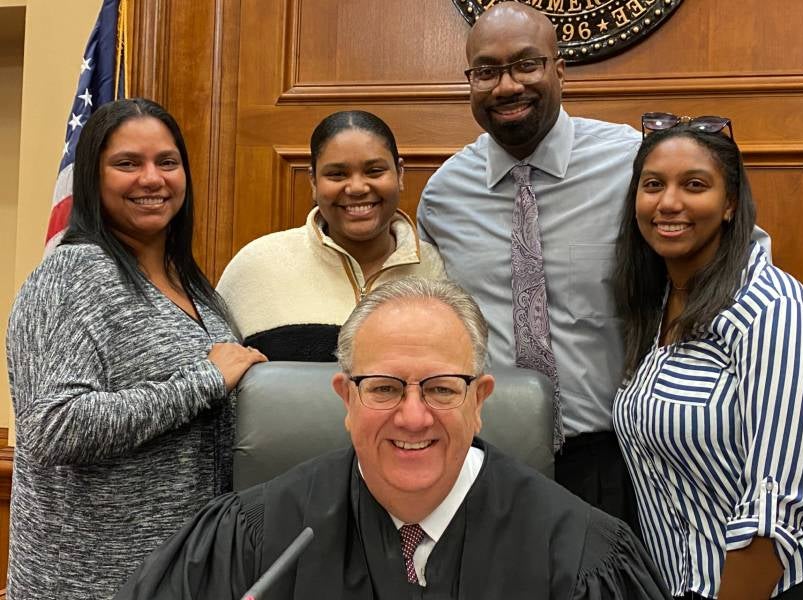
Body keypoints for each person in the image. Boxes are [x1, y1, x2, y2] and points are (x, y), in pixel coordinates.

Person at [416, 1, 803, 524]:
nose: (507, 86)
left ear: (558, 69)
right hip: (495, 461)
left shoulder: (636, 163)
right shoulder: (444, 196)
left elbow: (749, 266)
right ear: (470, 80)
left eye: (526, 64)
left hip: (624, 462)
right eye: (487, 71)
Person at [115, 277, 671, 600]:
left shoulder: (580, 558)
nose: (412, 418)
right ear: (345, 399)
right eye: (382, 388)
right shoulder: (252, 541)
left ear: (479, 401)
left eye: (441, 389)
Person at [612, 114, 803, 600]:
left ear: (730, 205)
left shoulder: (768, 306)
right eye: (653, 184)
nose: (669, 202)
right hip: (707, 583)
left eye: (694, 184)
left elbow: (773, 508)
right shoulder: (657, 305)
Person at [5, 98, 268, 600]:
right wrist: (205, 381)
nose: (152, 179)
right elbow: (54, 426)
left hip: (186, 574)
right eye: (128, 163)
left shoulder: (194, 286)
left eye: (167, 162)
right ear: (92, 178)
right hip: (92, 584)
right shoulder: (74, 274)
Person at [217, 110, 444, 361]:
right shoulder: (255, 267)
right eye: (337, 174)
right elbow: (217, 377)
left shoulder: (441, 270)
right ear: (313, 181)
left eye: (375, 171)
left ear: (400, 174)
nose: (357, 187)